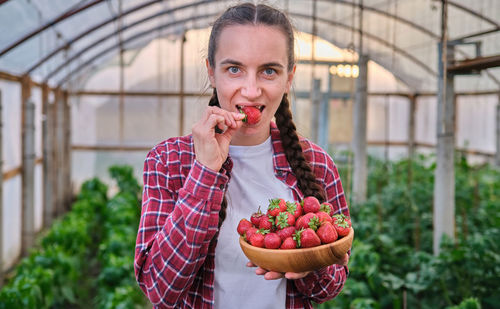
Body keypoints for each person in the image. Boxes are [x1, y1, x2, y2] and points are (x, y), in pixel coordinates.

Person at [134, 2, 350, 308]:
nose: (250, 90)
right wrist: (206, 172)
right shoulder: (169, 161)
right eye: (234, 69)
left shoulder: (317, 164)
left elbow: (330, 286)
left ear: (289, 78)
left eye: (269, 71)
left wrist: (310, 265)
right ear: (211, 71)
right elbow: (159, 287)